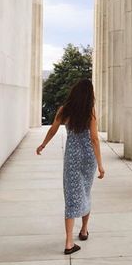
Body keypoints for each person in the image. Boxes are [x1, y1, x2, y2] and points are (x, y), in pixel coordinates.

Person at [36, 78, 105, 254]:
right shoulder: (90, 111)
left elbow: (52, 129)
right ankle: (83, 230)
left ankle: (68, 242)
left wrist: (43, 145)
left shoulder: (64, 110)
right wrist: (100, 165)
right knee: (85, 192)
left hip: (72, 158)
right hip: (88, 158)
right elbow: (94, 139)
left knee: (72, 196)